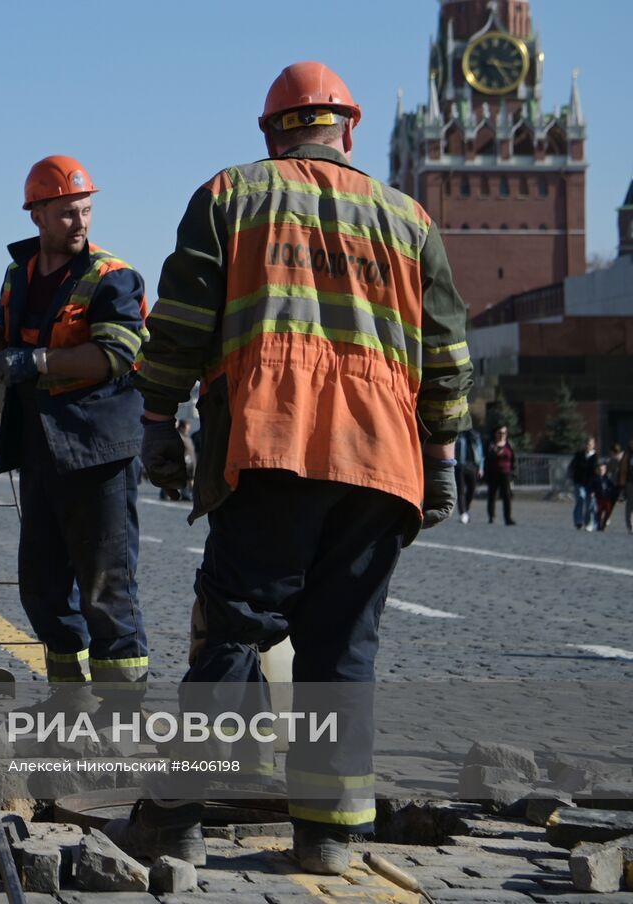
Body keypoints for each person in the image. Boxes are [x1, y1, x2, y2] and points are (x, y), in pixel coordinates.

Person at [128, 62, 473, 874]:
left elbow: (177, 324)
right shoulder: (411, 218)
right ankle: (328, 835)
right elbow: (449, 356)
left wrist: (157, 425)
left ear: (270, 133)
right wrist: (445, 456)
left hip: (272, 446)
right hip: (383, 462)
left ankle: (176, 817)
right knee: (344, 648)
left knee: (233, 633)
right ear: (348, 130)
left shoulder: (229, 196)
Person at [0, 154, 151, 699]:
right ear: (36, 215)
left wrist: (35, 362)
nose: (81, 222)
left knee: (107, 590)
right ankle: (70, 701)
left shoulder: (113, 277)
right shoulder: (19, 277)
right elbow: (10, 352)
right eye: (68, 212)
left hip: (99, 451)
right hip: (42, 449)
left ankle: (122, 716)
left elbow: (115, 355)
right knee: (42, 590)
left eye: (85, 210)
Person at [485, 426, 517, 525]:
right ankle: (491, 516)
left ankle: (508, 518)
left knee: (507, 496)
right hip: (493, 474)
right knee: (492, 495)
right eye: (500, 433)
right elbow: (487, 459)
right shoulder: (491, 445)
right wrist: (495, 452)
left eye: (504, 433)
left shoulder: (509, 445)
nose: (502, 435)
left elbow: (513, 459)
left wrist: (514, 472)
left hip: (506, 473)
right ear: (495, 433)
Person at [568, 436, 599, 531]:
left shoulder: (596, 457)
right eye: (586, 444)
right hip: (579, 482)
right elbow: (572, 467)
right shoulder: (579, 455)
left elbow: (598, 471)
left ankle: (589, 523)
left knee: (590, 503)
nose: (588, 446)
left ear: (593, 445)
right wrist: (571, 478)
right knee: (580, 499)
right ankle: (578, 521)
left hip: (591, 483)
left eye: (590, 444)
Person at [454, 427, 484, 524]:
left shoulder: (475, 435)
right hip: (460, 465)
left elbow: (480, 451)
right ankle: (463, 513)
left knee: (472, 489)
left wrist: (481, 467)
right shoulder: (457, 435)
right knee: (461, 490)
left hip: (472, 465)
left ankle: (465, 509)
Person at [592, 461, 617, 531]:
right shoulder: (595, 479)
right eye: (600, 470)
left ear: (605, 470)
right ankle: (599, 525)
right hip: (599, 498)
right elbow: (592, 487)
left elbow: (612, 487)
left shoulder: (608, 479)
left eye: (602, 470)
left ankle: (604, 523)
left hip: (607, 498)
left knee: (608, 511)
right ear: (597, 470)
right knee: (599, 511)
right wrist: (592, 492)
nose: (601, 471)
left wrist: (612, 493)